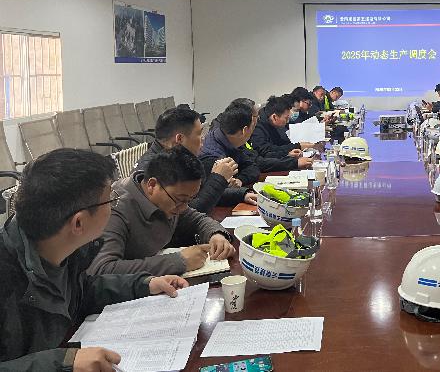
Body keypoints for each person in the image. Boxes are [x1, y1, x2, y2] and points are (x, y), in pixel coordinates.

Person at [0, 148, 188, 370]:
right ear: (78, 223)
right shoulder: (7, 275)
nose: (115, 205)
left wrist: (144, 284)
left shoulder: (64, 250)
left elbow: (82, 291)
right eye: (110, 200)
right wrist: (64, 363)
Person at [89, 147, 236, 276]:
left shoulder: (170, 199)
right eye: (180, 199)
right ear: (152, 185)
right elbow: (102, 269)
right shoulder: (114, 208)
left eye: (189, 200)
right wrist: (178, 262)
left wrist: (216, 235)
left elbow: (197, 219)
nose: (183, 207)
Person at [133, 107, 257, 213]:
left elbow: (197, 193)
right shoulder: (152, 169)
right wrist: (218, 178)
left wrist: (241, 194)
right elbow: (186, 213)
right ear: (179, 139)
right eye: (199, 134)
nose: (203, 138)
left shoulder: (177, 158)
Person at [198, 103, 260, 189]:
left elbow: (252, 167)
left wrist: (240, 180)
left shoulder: (229, 138)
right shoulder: (211, 158)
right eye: (253, 127)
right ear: (245, 130)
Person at [249, 96, 314, 172]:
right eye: (286, 118)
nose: (287, 121)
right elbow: (265, 152)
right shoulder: (258, 128)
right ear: (274, 117)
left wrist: (289, 152)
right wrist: (295, 148)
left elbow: (279, 144)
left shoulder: (273, 123)